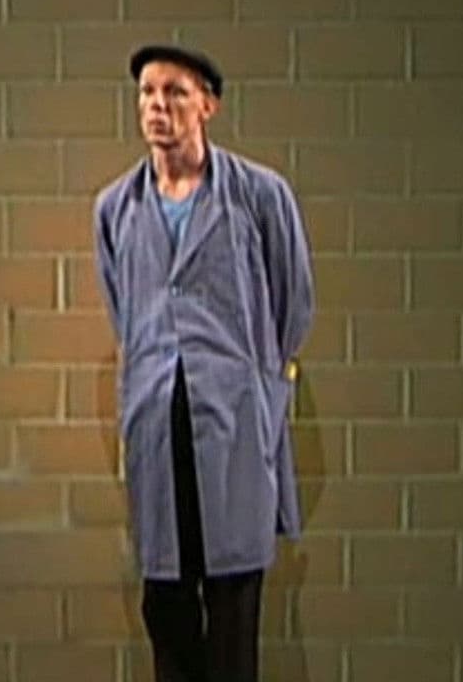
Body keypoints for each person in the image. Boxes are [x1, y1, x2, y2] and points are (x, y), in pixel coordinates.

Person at [93, 45, 314, 682]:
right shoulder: (116, 207)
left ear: (207, 106)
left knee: (233, 605)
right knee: (166, 606)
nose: (157, 106)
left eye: (175, 93)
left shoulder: (260, 195)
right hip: (157, 419)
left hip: (234, 418)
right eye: (147, 92)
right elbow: (122, 308)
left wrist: (254, 379)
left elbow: (293, 303)